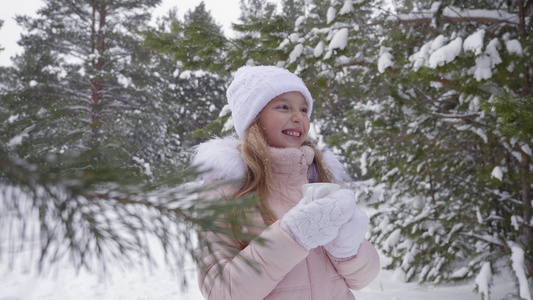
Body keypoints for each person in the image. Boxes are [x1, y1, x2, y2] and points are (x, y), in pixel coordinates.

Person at [191, 65, 380, 300]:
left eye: (303, 109)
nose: (298, 117)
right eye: (283, 107)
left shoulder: (321, 180)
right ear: (254, 118)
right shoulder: (225, 191)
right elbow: (220, 291)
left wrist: (349, 248)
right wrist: (292, 235)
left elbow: (362, 280)